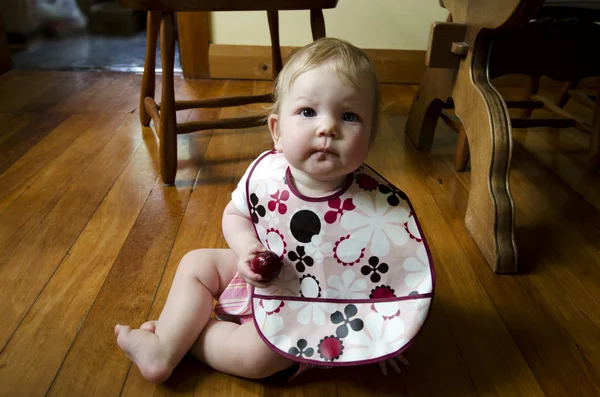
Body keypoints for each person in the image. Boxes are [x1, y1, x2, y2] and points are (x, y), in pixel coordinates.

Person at [115, 37, 415, 383]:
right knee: (197, 262)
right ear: (277, 132)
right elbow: (235, 215)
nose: (327, 127)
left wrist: (385, 335)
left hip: (311, 316)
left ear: (371, 136)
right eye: (308, 112)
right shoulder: (266, 175)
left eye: (349, 116)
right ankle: (165, 348)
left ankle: (184, 338)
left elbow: (395, 279)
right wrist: (246, 250)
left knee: (260, 357)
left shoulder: (378, 209)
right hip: (259, 276)